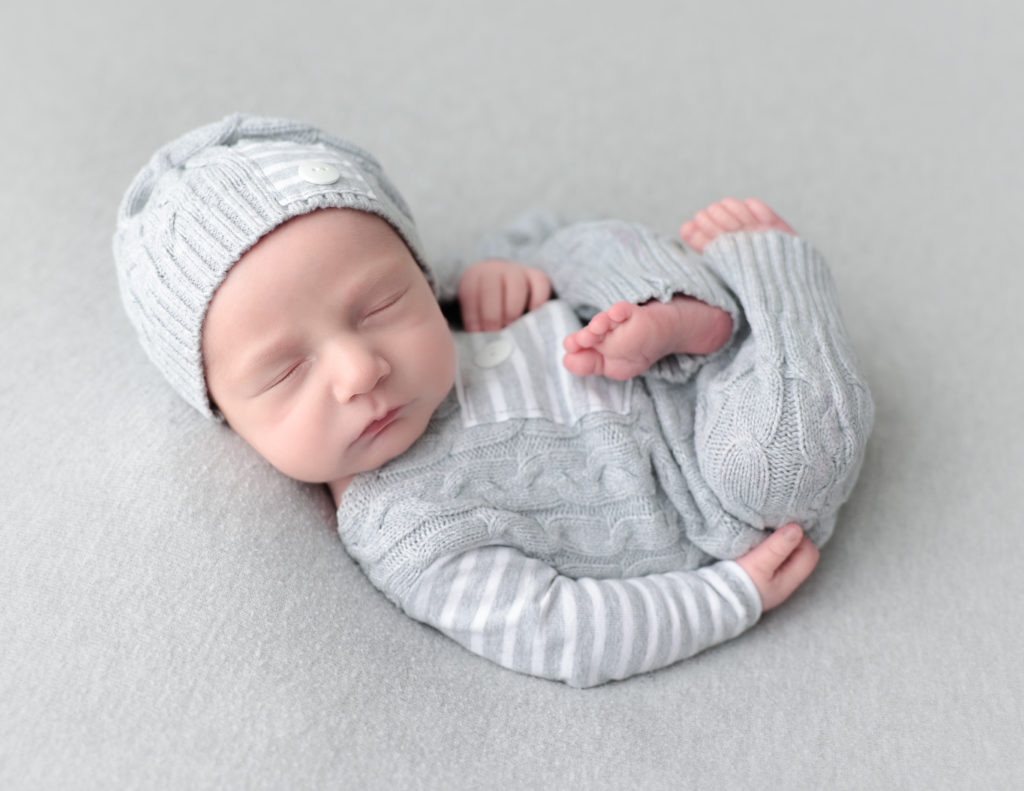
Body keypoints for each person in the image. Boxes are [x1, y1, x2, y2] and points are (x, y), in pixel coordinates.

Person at [115, 114, 873, 687]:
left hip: (652, 338)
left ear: (413, 269)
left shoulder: (453, 303)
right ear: (223, 413)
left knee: (571, 248)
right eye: (285, 372)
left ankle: (692, 315)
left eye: (380, 304)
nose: (358, 370)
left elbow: (551, 234)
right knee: (775, 472)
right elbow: (561, 631)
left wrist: (511, 269)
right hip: (718, 476)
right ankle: (777, 278)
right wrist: (729, 596)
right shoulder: (410, 532)